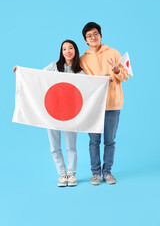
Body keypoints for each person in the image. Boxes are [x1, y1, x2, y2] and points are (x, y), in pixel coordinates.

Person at [13, 39, 85, 187]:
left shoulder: (80, 71)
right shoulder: (54, 66)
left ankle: (71, 174)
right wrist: (21, 72)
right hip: (52, 111)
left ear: (75, 50)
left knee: (71, 146)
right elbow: (37, 76)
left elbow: (91, 86)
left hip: (70, 113)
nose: (67, 51)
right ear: (61, 52)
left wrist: (105, 81)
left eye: (70, 48)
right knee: (54, 146)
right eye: (64, 49)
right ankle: (62, 174)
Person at [80, 22, 129, 185]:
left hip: (112, 104)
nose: (93, 37)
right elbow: (80, 82)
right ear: (85, 40)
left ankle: (107, 172)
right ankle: (95, 173)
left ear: (101, 35)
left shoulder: (114, 52)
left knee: (110, 141)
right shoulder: (83, 59)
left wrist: (116, 71)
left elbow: (125, 76)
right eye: (89, 36)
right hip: (93, 106)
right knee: (94, 141)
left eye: (95, 34)